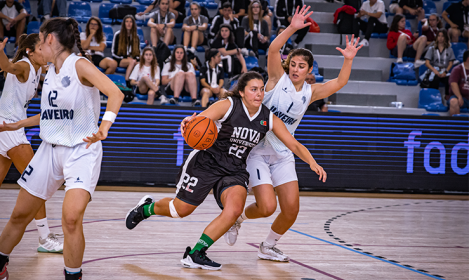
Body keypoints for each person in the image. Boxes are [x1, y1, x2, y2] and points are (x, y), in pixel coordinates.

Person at [125, 71, 326, 270]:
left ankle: (196, 253)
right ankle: (146, 208)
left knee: (235, 209)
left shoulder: (268, 117)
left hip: (234, 170)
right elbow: (198, 121)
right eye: (253, 89)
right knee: (180, 210)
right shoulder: (228, 106)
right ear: (241, 92)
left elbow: (294, 144)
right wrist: (188, 121)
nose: (259, 94)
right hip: (206, 163)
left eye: (261, 90)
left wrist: (312, 162)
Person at [0, 18, 123, 280]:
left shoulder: (79, 65)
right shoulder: (50, 70)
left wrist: (105, 126)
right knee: (20, 213)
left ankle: (72, 276)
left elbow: (115, 93)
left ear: (50, 40)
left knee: (71, 218)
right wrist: (17, 124)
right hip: (49, 150)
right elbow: (50, 113)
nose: (37, 45)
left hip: (81, 150)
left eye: (40, 39)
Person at [223, 6, 362, 262]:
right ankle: (237, 218)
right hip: (257, 151)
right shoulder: (277, 79)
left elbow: (339, 83)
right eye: (294, 64)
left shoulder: (310, 92)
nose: (296, 69)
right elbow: (274, 49)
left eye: (302, 66)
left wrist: (349, 59)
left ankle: (267, 246)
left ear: (309, 70)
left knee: (291, 210)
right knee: (266, 207)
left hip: (283, 153)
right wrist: (292, 27)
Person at [0, 33, 64, 257]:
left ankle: (45, 237)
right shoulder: (24, 65)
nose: (46, 52)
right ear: (30, 52)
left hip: (3, 128)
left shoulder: (39, 67)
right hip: (8, 130)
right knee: (37, 183)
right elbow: (9, 67)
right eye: (41, 49)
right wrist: (0, 53)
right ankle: (45, 237)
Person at [423, 29, 455, 97]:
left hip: (444, 71)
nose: (440, 38)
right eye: (439, 36)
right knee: (435, 78)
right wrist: (434, 70)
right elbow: (427, 63)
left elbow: (450, 63)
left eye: (442, 36)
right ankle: (433, 96)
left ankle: (447, 96)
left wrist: (445, 72)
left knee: (450, 79)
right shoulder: (432, 49)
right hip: (434, 69)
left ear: (445, 37)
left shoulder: (449, 50)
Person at [112, 15, 141, 83]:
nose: (128, 23)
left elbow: (138, 53)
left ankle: (135, 84)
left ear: (133, 24)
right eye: (127, 21)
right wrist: (126, 57)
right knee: (132, 62)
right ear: (124, 23)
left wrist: (137, 59)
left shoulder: (136, 37)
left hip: (132, 60)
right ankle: (127, 82)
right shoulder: (118, 34)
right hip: (119, 59)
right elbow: (114, 52)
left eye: (131, 22)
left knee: (139, 64)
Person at [448, 50, 469, 116]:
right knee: (454, 101)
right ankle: (455, 125)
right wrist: (459, 97)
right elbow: (453, 84)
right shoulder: (457, 69)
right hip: (460, 97)